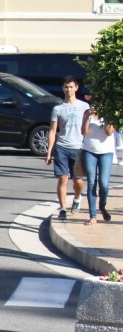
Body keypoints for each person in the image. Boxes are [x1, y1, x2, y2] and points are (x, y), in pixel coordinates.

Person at [46, 76, 89, 221]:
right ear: (62, 88)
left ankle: (77, 198)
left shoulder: (84, 107)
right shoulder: (57, 109)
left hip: (78, 148)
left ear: (76, 88)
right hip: (62, 147)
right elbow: (53, 130)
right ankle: (63, 208)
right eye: (66, 87)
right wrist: (49, 151)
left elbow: (89, 128)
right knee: (63, 178)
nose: (68, 90)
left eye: (71, 87)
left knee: (77, 180)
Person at [80, 104, 115, 225]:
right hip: (89, 151)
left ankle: (102, 206)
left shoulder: (110, 113)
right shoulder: (87, 113)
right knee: (91, 183)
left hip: (106, 152)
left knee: (104, 184)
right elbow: (83, 132)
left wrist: (105, 115)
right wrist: (88, 116)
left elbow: (109, 132)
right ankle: (92, 216)